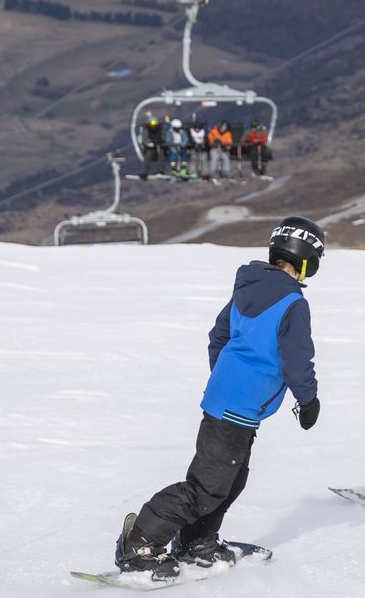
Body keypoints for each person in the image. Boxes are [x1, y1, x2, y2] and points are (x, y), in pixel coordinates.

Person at [112, 216, 326, 578]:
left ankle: (198, 543)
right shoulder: (293, 303)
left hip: (230, 402)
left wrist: (226, 379)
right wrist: (308, 401)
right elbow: (297, 359)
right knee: (205, 488)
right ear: (307, 260)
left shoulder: (248, 286)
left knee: (229, 480)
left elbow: (218, 336)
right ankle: (139, 543)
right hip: (238, 407)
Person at [138, 112, 167, 181]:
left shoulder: (160, 128)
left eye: (154, 123)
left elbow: (163, 137)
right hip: (151, 147)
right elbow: (145, 138)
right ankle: (145, 172)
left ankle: (161, 170)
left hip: (159, 145)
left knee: (161, 153)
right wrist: (148, 143)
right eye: (152, 123)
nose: (153, 125)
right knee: (148, 155)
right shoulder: (146, 129)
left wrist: (157, 141)